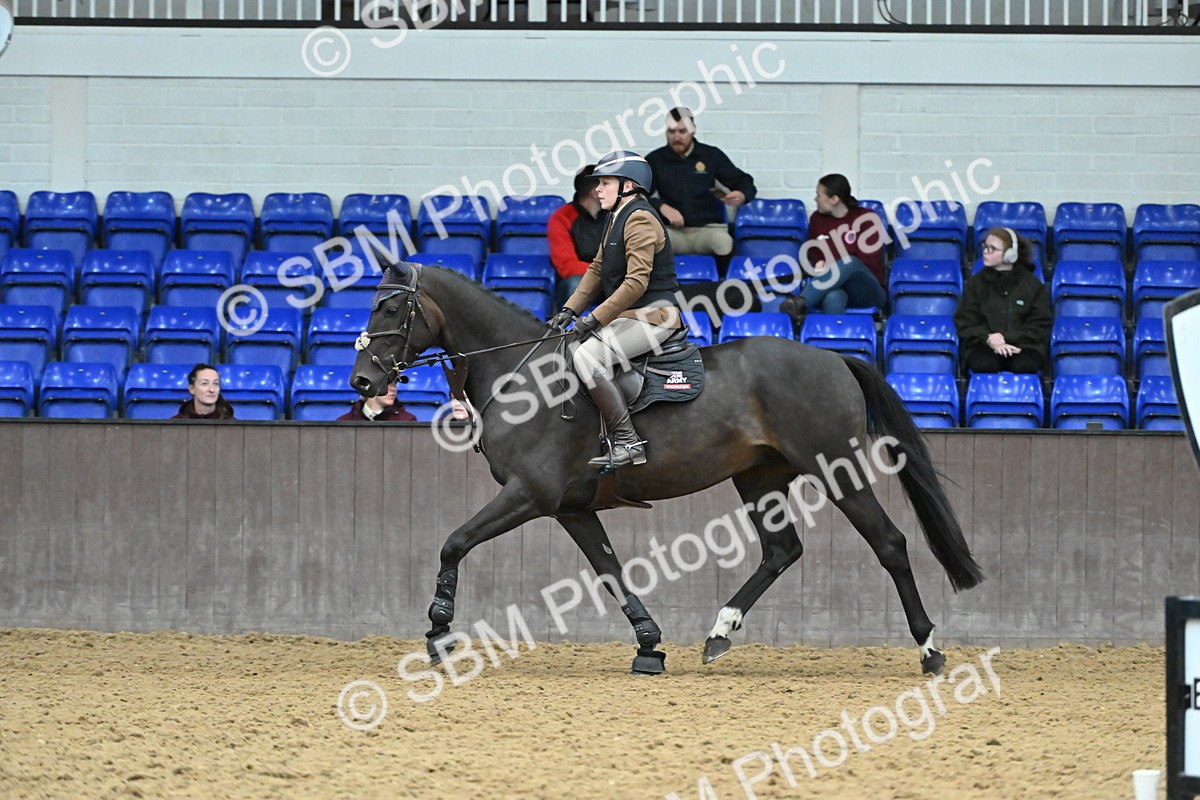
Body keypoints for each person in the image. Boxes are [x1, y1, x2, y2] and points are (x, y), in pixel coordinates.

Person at [547, 149, 683, 470]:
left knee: (586, 356)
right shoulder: (615, 216)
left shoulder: (640, 218)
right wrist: (569, 310)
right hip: (629, 317)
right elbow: (595, 269)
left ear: (628, 185)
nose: (597, 190)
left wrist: (593, 318)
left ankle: (628, 441)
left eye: (605, 183)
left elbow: (635, 283)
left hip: (654, 316)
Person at [646, 106, 757, 259]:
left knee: (723, 242)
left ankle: (723, 283)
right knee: (647, 241)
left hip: (707, 230)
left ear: (693, 130)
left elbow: (745, 182)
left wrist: (742, 194)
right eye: (672, 132)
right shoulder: (654, 160)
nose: (677, 137)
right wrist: (661, 206)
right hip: (672, 231)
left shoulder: (711, 155)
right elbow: (637, 196)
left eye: (682, 131)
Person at [780, 174, 888, 321]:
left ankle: (801, 302)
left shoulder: (867, 219)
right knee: (833, 297)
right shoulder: (817, 219)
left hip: (867, 289)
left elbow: (868, 261)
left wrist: (833, 266)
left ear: (834, 199)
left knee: (849, 262)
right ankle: (835, 342)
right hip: (833, 286)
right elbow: (813, 250)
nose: (815, 199)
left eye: (819, 195)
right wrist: (818, 261)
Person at [954, 227, 1053, 374]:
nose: (986, 252)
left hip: (1024, 346)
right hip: (983, 344)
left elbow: (1039, 325)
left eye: (992, 248)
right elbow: (966, 322)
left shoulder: (1032, 286)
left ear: (1010, 254)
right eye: (985, 246)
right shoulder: (975, 284)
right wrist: (989, 338)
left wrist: (1006, 338)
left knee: (1024, 365)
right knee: (985, 364)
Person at [547, 164, 605, 306]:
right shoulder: (561, 218)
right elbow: (567, 266)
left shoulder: (617, 214)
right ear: (596, 193)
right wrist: (607, 272)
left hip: (615, 281)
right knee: (575, 284)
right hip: (585, 281)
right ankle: (568, 327)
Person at [338, 381, 417, 421]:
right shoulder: (345, 421)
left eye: (395, 384)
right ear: (369, 387)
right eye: (387, 384)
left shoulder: (407, 420)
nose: (394, 389)